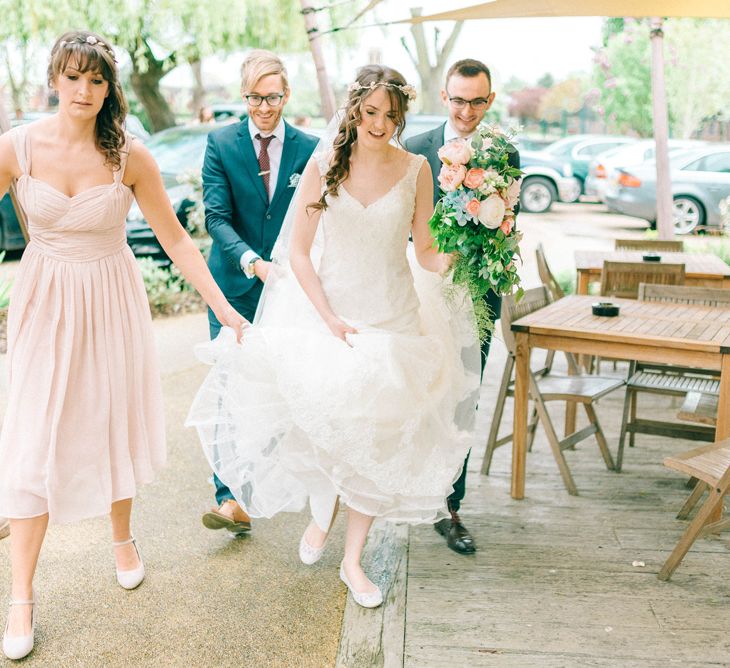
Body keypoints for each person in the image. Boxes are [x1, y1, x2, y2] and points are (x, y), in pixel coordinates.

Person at [187, 64, 481, 608]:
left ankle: (352, 561)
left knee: (380, 437)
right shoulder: (325, 164)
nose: (379, 124)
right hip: (332, 317)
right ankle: (323, 506)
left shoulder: (417, 168)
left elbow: (425, 252)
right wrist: (326, 317)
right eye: (370, 113)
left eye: (390, 115)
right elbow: (297, 251)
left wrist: (470, 244)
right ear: (354, 111)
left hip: (394, 320)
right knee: (327, 426)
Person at [0, 30, 246, 661]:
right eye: (74, 77)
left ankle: (122, 537)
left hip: (111, 301)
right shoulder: (16, 147)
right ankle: (20, 597)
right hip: (44, 300)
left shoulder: (129, 156)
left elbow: (178, 241)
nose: (84, 91)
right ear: (54, 78)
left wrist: (221, 307)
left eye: (97, 80)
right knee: (33, 440)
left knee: (110, 423)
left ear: (109, 88)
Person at [198, 50, 318, 538]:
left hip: (287, 293)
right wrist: (252, 261)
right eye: (254, 97)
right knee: (228, 387)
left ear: (286, 95)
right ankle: (228, 498)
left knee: (275, 389)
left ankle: (262, 483)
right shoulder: (221, 144)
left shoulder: (309, 149)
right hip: (233, 287)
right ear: (243, 96)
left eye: (272, 97)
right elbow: (216, 218)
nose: (263, 107)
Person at [405, 58, 520, 556]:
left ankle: (451, 507)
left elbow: (508, 225)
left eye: (477, 100)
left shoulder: (505, 153)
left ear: (489, 100)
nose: (467, 109)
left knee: (463, 398)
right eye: (458, 99)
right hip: (422, 292)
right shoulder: (413, 150)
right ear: (444, 98)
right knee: (416, 392)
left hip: (478, 296)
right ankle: (406, 488)